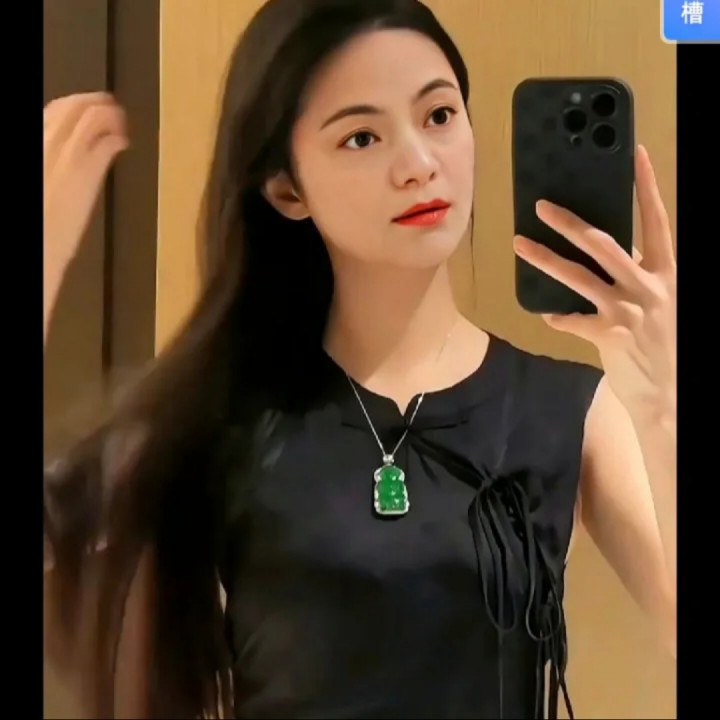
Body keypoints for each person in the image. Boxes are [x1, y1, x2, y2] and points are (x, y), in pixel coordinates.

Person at [43, 1, 677, 718]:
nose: (419, 165)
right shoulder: (221, 415)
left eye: (439, 116)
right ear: (287, 189)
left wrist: (661, 397)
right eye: (362, 137)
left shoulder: (570, 409)